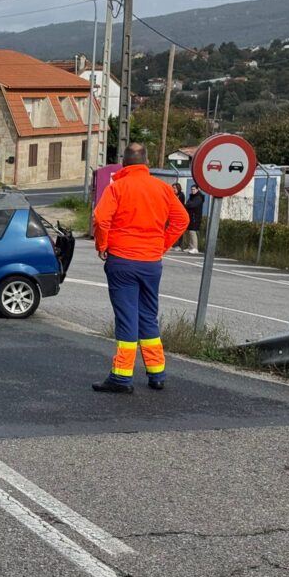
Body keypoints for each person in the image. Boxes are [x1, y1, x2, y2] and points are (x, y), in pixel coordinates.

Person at [92, 143, 189, 394]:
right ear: (146, 163)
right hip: (151, 263)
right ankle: (157, 374)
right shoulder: (162, 188)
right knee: (147, 316)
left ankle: (122, 377)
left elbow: (101, 218)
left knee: (127, 318)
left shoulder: (117, 188)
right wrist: (161, 246)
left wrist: (102, 244)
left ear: (124, 163)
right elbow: (182, 220)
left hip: (122, 261)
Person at [183, 184, 206, 254]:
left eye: (194, 189)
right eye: (192, 189)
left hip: (195, 217)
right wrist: (187, 205)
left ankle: (195, 248)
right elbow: (188, 204)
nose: (192, 191)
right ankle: (190, 247)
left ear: (197, 189)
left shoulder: (199, 197)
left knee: (192, 232)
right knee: (189, 231)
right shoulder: (192, 196)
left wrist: (187, 205)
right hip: (191, 216)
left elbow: (192, 205)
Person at [170, 183, 186, 250]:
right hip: (172, 215)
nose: (173, 189)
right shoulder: (173, 195)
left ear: (178, 188)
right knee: (172, 230)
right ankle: (172, 244)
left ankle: (179, 245)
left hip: (179, 215)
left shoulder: (181, 195)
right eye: (173, 188)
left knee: (179, 231)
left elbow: (181, 204)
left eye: (175, 188)